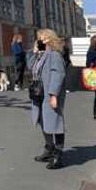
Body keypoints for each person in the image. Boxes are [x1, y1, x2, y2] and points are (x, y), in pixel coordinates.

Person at [30, 29, 67, 169]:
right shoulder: (41, 55)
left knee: (55, 122)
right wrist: (34, 53)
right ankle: (49, 149)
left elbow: (58, 74)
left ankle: (58, 155)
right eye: (38, 38)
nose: (40, 40)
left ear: (50, 39)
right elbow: (30, 67)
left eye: (42, 38)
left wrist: (53, 95)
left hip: (49, 94)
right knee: (43, 120)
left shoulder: (55, 55)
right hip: (38, 93)